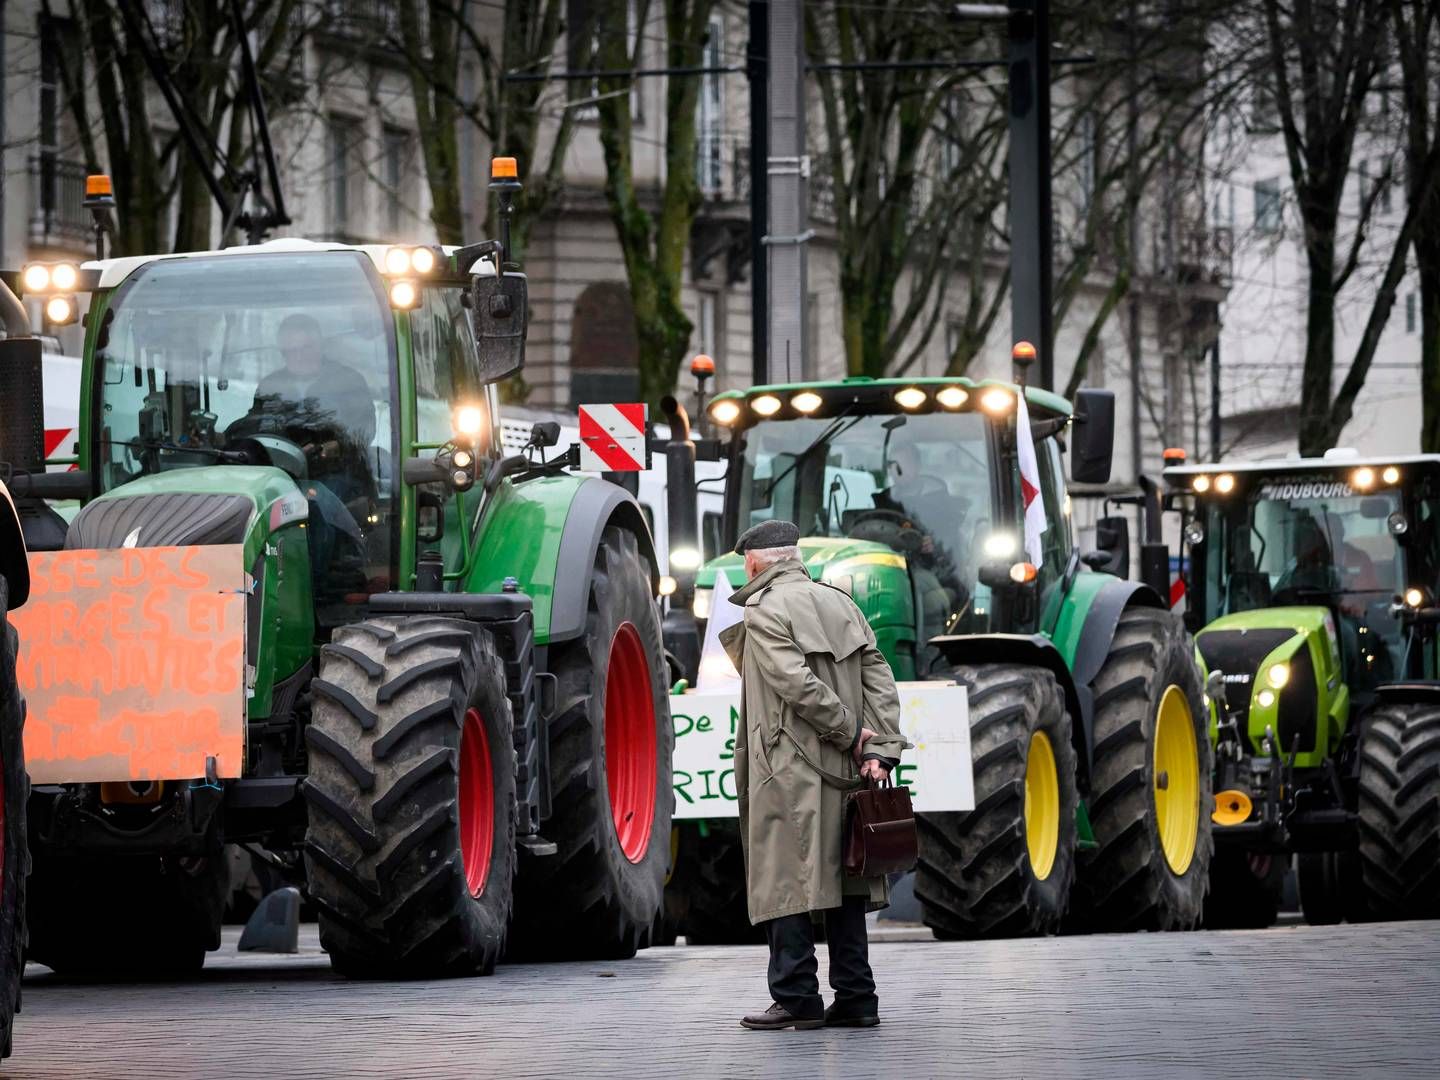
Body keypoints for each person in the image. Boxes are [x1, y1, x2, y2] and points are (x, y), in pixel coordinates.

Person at [720, 519, 910, 1032]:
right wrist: (881, 748)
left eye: (746, 563)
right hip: (846, 769)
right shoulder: (840, 602)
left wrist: (851, 734)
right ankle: (857, 997)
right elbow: (880, 679)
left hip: (785, 767)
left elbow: (795, 685)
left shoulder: (764, 611)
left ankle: (797, 997)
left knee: (785, 881)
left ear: (756, 562)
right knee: (848, 876)